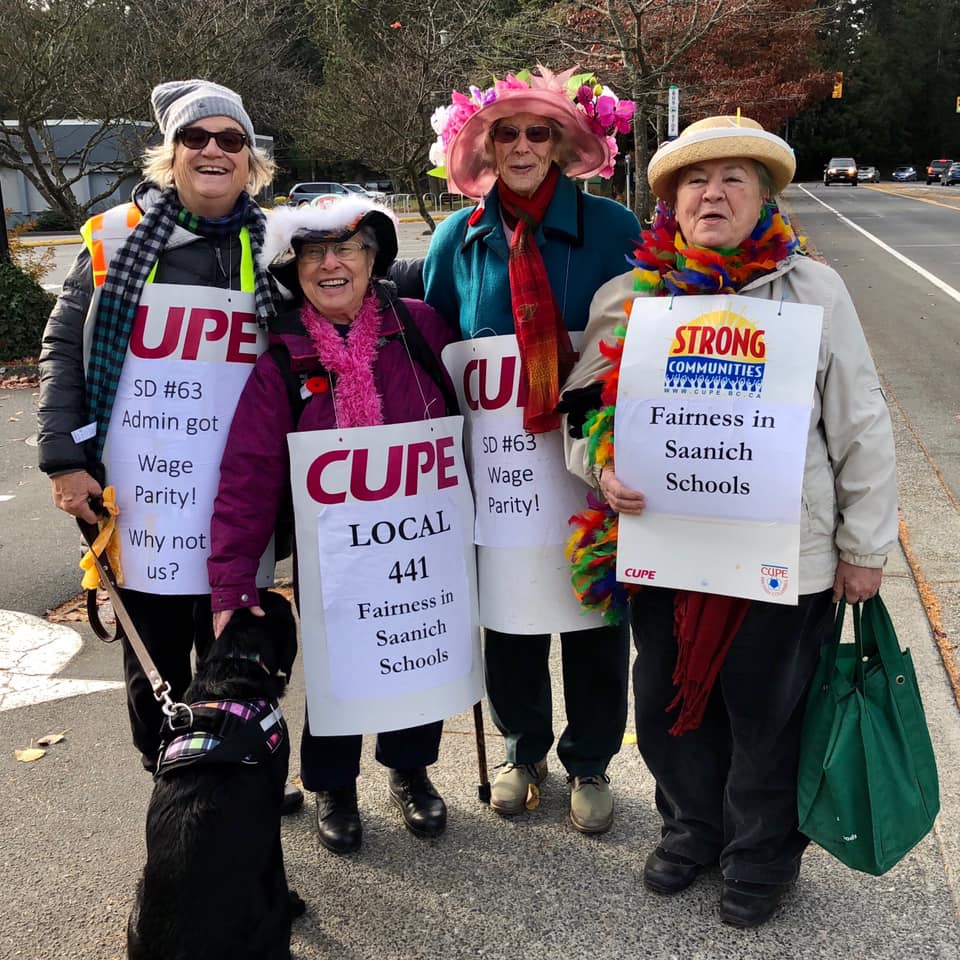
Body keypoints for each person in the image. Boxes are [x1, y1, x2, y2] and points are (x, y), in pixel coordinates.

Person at [561, 116, 898, 925]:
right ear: (671, 201)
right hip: (665, 550)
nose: (713, 194)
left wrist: (865, 546)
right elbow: (579, 419)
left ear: (764, 197)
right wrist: (601, 469)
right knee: (671, 706)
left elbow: (861, 424)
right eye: (695, 182)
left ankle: (761, 855)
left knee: (767, 714)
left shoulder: (813, 291)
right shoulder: (626, 300)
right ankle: (691, 832)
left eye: (733, 180)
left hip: (787, 554)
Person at [37, 80, 303, 813]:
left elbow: (343, 297)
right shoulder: (114, 236)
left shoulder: (278, 244)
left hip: (238, 494)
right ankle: (175, 786)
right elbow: (64, 348)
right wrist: (63, 460)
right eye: (197, 138)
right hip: (142, 493)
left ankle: (240, 765)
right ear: (171, 153)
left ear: (252, 159)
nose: (213, 151)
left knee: (234, 647)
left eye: (230, 139)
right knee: (151, 654)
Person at [423, 65, 640, 833]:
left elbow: (648, 336)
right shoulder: (458, 238)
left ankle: (590, 761)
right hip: (504, 470)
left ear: (560, 142)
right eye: (505, 132)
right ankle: (523, 750)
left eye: (537, 131)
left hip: (592, 463)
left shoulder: (615, 229)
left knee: (593, 616)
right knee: (511, 616)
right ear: (482, 142)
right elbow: (439, 346)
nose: (520, 145)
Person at [207, 197, 456, 855]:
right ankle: (333, 786)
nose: (332, 264)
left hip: (421, 539)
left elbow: (470, 428)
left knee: (416, 652)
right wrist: (232, 588)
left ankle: (410, 770)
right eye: (314, 253)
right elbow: (247, 479)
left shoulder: (422, 328)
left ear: (373, 259)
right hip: (333, 551)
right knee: (341, 666)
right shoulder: (282, 357)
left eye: (347, 248)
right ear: (297, 270)